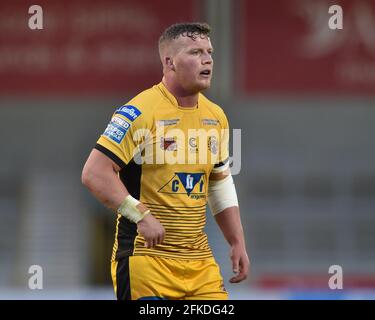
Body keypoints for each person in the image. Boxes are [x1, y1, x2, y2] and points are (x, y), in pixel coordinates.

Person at [81, 22, 249, 300]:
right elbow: (94, 173)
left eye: (209, 51)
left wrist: (236, 241)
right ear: (169, 62)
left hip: (200, 265)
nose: (207, 59)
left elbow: (219, 183)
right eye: (195, 52)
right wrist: (141, 215)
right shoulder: (139, 111)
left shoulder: (216, 117)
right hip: (146, 261)